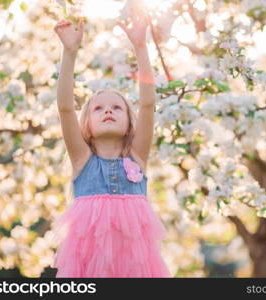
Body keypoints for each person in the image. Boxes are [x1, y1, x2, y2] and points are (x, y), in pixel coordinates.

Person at [51, 4, 170, 278]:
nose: (107, 110)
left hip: (135, 267)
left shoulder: (137, 157)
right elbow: (66, 108)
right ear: (87, 127)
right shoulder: (81, 159)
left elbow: (148, 104)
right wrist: (69, 52)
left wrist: (141, 47)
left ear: (130, 124)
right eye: (98, 108)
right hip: (87, 268)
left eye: (117, 108)